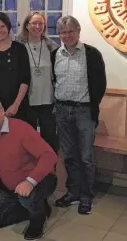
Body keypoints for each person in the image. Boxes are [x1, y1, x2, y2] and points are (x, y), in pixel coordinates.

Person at [0, 96, 58, 240]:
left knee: (28, 198)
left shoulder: (21, 128)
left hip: (41, 179)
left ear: (2, 111)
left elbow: (50, 156)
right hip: (12, 188)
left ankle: (38, 218)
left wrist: (30, 181)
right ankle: (35, 208)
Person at [52, 15, 106, 214]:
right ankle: (73, 192)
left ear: (78, 31)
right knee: (69, 156)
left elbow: (100, 84)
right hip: (62, 110)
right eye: (63, 32)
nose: (66, 35)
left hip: (84, 111)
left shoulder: (91, 54)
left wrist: (89, 106)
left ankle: (86, 196)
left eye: (70, 31)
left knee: (85, 156)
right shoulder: (55, 54)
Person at [16, 12, 59, 151]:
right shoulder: (18, 46)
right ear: (27, 26)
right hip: (27, 101)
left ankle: (50, 170)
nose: (37, 26)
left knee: (49, 140)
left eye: (41, 23)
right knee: (28, 140)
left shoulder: (52, 47)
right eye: (34, 23)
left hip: (47, 100)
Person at [0, 12, 32, 125]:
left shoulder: (19, 49)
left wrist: (15, 105)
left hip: (18, 106)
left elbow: (25, 79)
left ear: (8, 28)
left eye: (2, 26)